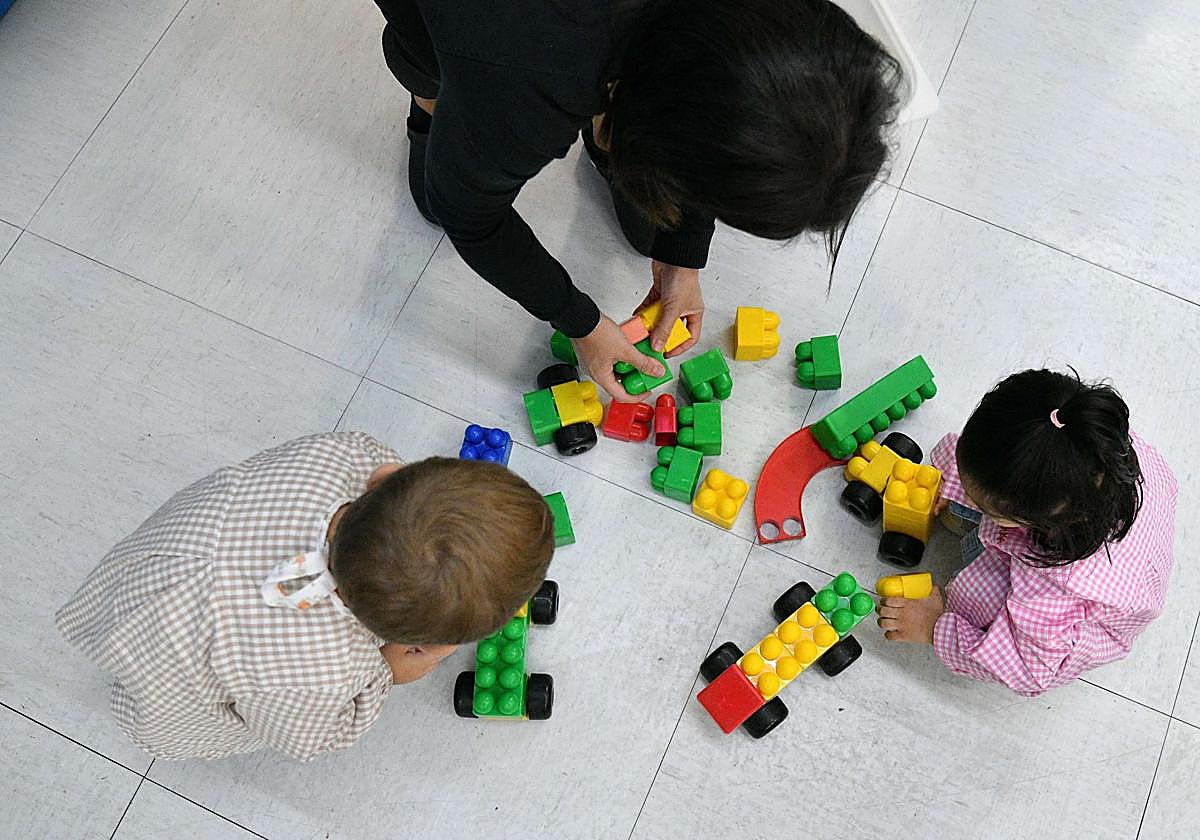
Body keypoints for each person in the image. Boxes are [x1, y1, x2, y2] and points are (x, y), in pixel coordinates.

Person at [372, 0, 902, 399]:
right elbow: (470, 217)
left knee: (654, 227)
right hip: (483, 31)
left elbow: (726, 75)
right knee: (427, 68)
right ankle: (429, 93)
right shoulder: (524, 84)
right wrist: (578, 320)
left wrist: (684, 250)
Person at [56, 433, 555, 760]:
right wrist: (386, 673)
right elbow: (305, 737)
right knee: (184, 713)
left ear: (384, 478)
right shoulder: (317, 671)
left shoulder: (336, 456)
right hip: (176, 668)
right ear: (414, 639)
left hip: (153, 575)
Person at [878, 369, 1177, 696]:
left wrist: (935, 627)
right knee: (985, 480)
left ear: (1042, 519)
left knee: (976, 598)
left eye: (987, 508)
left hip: (1087, 606)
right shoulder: (1087, 434)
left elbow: (1028, 671)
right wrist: (961, 486)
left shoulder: (1054, 592)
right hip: (1114, 530)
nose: (967, 494)